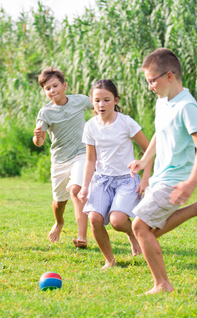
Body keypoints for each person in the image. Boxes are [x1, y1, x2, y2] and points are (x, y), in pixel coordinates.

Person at [128, 48, 197, 295]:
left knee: (139, 227)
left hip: (176, 179)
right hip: (160, 177)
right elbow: (160, 132)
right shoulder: (162, 101)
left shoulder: (187, 106)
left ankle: (162, 284)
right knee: (149, 231)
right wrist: (144, 160)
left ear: (169, 76)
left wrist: (192, 181)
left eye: (152, 81)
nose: (150, 86)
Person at [77, 79, 151, 269]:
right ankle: (110, 260)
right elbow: (90, 160)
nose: (101, 105)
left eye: (107, 100)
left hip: (126, 180)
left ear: (116, 100)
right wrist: (85, 187)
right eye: (97, 100)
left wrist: (145, 174)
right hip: (101, 180)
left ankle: (132, 233)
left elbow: (149, 149)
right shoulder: (90, 126)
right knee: (94, 218)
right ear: (92, 101)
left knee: (117, 221)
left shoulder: (126, 123)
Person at [33, 67, 93, 248]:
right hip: (59, 159)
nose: (52, 91)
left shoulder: (80, 101)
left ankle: (82, 237)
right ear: (45, 92)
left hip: (81, 154)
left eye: (55, 86)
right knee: (59, 202)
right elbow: (38, 143)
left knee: (76, 190)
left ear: (64, 85)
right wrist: (38, 136)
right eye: (48, 88)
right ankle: (59, 222)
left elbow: (99, 107)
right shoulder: (45, 112)